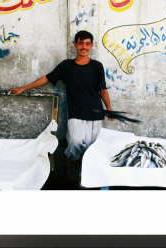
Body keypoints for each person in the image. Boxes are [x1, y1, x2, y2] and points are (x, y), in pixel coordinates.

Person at [8, 30, 113, 163]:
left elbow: (103, 90)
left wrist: (109, 109)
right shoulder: (66, 66)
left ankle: (86, 178)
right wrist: (24, 88)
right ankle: (75, 170)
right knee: (75, 143)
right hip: (76, 113)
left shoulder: (97, 66)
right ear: (75, 44)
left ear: (91, 46)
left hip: (96, 113)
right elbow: (47, 78)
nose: (84, 47)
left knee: (94, 147)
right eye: (81, 43)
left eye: (87, 44)